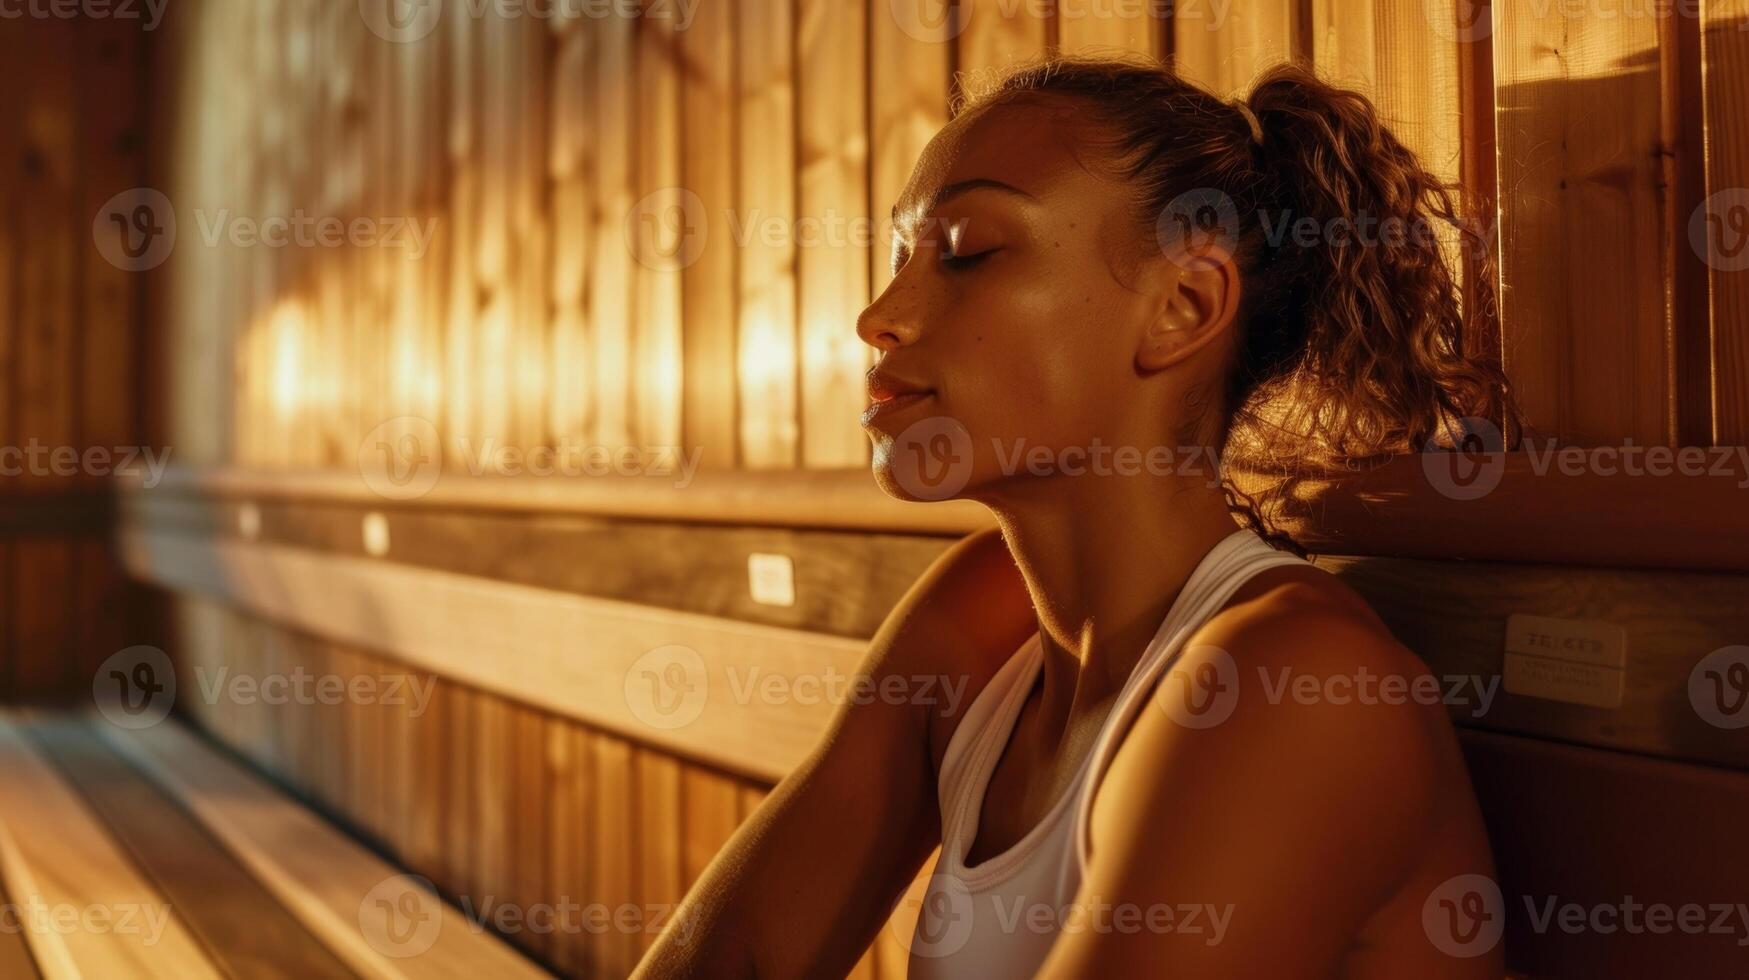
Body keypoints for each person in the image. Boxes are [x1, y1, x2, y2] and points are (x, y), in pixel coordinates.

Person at [633, 56, 1515, 979]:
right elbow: (736, 960)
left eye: (968, 250)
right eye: (900, 258)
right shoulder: (983, 622)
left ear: (1182, 307)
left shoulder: (1289, 681)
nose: (879, 316)